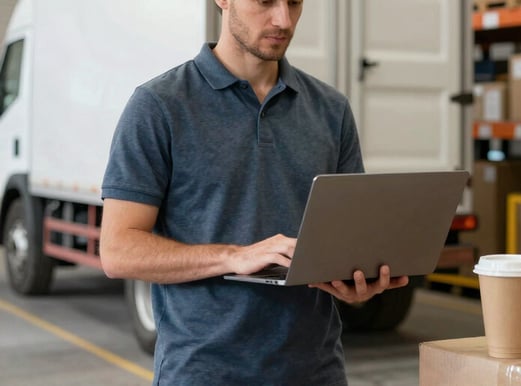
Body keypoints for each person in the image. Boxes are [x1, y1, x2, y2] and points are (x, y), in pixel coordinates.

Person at [98, 0, 409, 384]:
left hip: (316, 371)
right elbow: (117, 251)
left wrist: (357, 286)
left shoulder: (331, 110)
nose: (283, 20)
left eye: (294, 3)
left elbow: (348, 241)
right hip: (205, 372)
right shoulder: (159, 106)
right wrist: (235, 256)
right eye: (265, 2)